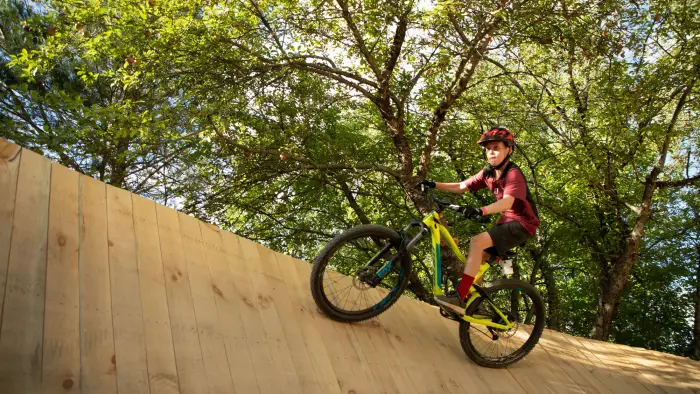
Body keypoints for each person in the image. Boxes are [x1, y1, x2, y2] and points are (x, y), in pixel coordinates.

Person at [419, 126, 540, 314]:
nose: (491, 151)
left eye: (497, 147)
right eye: (488, 148)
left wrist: (480, 211)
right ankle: (476, 305)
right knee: (478, 260)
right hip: (506, 222)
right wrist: (434, 184)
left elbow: (508, 202)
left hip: (522, 223)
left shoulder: (513, 173)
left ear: (509, 149)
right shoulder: (488, 173)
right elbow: (461, 186)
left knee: (477, 242)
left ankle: (460, 296)